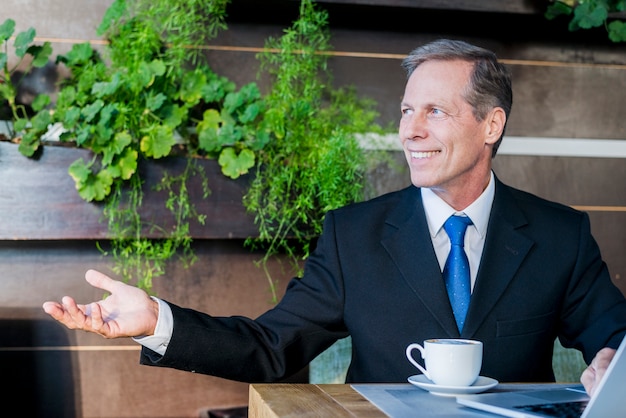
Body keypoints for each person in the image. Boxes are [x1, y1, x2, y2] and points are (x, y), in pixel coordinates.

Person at [43, 39, 626, 396]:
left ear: (491, 125)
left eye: (435, 112)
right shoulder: (352, 236)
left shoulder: (559, 235)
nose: (410, 130)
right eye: (405, 110)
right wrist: (156, 322)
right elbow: (271, 348)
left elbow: (615, 338)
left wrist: (609, 363)